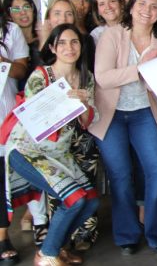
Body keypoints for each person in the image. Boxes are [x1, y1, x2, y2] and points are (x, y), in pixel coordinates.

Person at [6, 24, 99, 266]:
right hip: (28, 149)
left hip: (59, 152)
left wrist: (84, 105)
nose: (70, 47)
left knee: (90, 201)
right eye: (63, 43)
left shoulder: (86, 77)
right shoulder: (41, 75)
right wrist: (65, 101)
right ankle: (46, 255)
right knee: (74, 200)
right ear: (53, 48)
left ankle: (56, 247)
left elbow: (87, 122)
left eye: (75, 42)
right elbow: (35, 119)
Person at [91, 0, 157, 255]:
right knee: (121, 176)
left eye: (154, 6)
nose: (147, 10)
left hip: (144, 113)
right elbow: (103, 77)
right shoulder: (112, 35)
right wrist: (141, 67)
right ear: (132, 6)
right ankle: (127, 234)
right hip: (112, 115)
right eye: (142, 4)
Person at [0, 5, 30, 263]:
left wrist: (3, 62)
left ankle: (2, 238)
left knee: (1, 180)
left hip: (3, 112)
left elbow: (21, 70)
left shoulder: (10, 30)